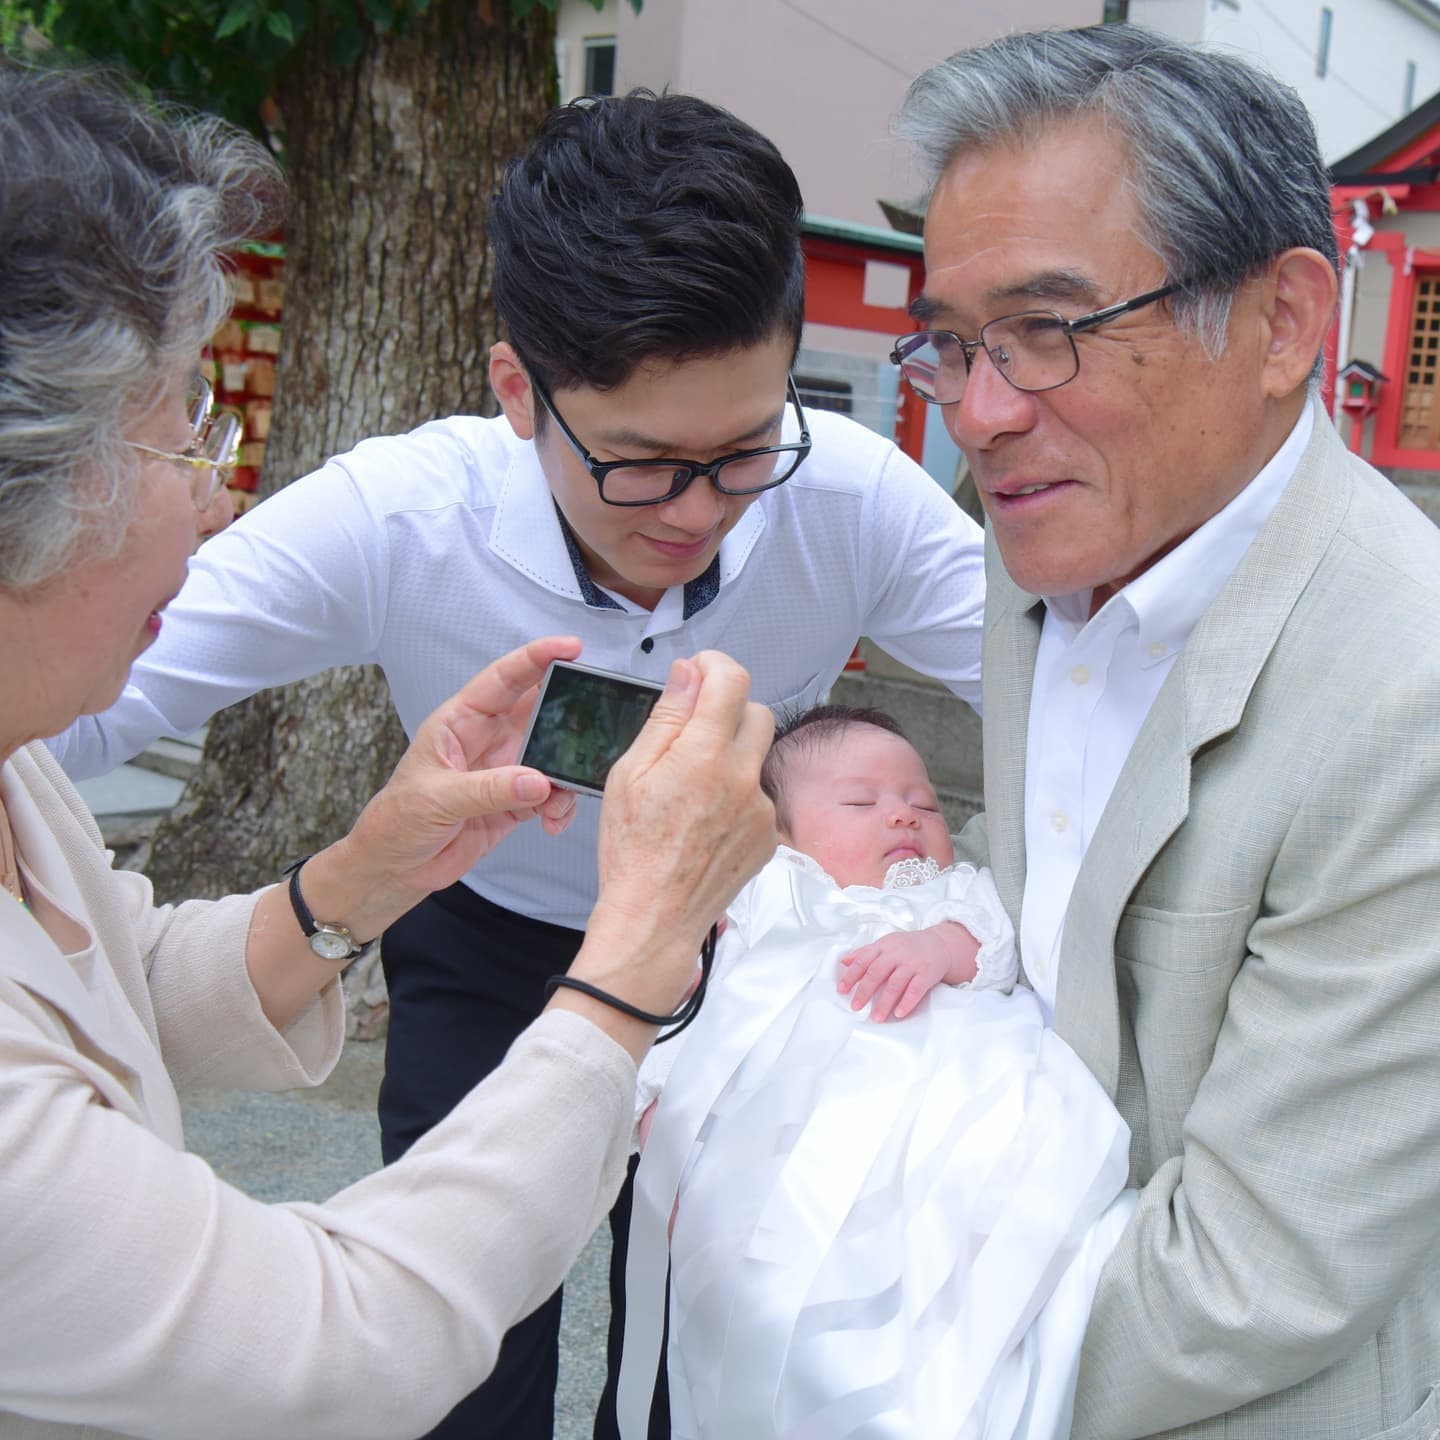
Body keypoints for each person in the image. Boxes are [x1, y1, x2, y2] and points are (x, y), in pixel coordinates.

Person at [48, 88, 988, 1438]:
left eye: (741, 453)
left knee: (707, 1351)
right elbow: (81, 688)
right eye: (641, 466)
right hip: (488, 941)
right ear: (515, 392)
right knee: (464, 1359)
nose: (697, 510)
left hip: (748, 975)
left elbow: (1069, 698)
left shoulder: (847, 499)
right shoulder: (401, 518)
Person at [891, 24, 1440, 1437]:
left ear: (1282, 324)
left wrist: (885, 1354)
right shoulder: (1045, 565)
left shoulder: (1406, 688)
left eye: (1053, 331)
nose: (984, 415)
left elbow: (1264, 1272)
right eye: (953, 344)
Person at [618, 707, 1135, 1439]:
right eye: (862, 803)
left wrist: (937, 947)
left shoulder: (950, 896)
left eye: (924, 803)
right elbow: (690, 1018)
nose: (903, 817)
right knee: (775, 1314)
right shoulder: (765, 899)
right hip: (791, 1147)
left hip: (945, 1122)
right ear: (776, 835)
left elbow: (994, 941)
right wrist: (664, 1142)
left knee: (969, 1271)